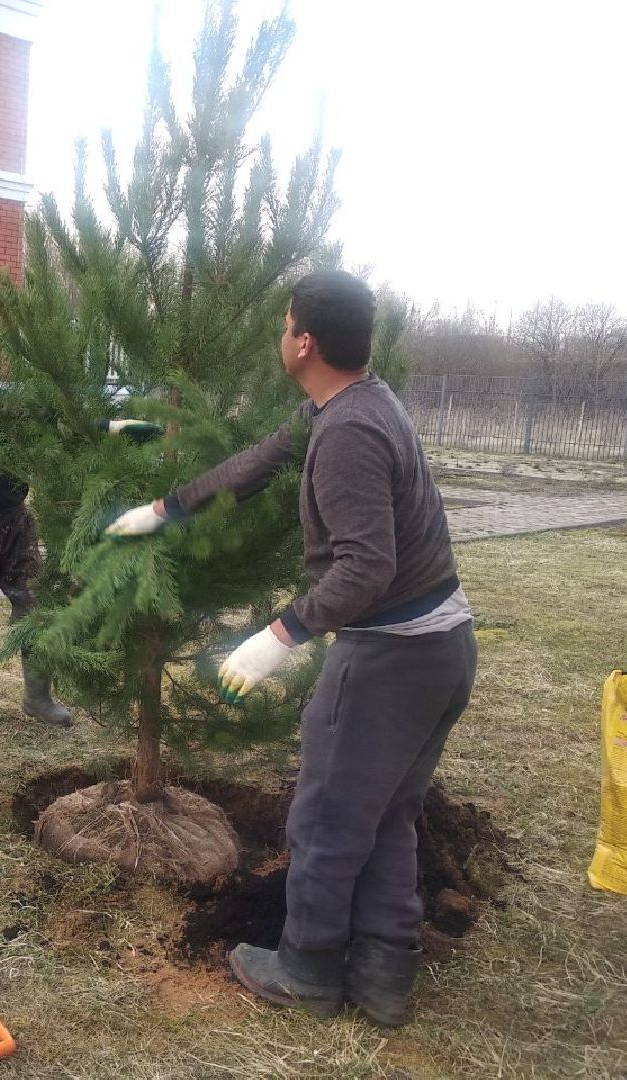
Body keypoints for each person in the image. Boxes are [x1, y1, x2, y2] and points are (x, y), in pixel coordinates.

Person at [105, 270, 477, 1027]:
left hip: (391, 657)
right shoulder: (354, 402)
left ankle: (306, 969)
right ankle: (381, 976)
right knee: (386, 817)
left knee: (329, 819)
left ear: (304, 341)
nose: (280, 337)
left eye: (284, 325)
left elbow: (366, 566)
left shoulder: (348, 433)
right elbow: (262, 458)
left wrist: (277, 637)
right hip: (442, 647)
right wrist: (167, 508)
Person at [0, 326, 162, 732]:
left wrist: (117, 428)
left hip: (15, 520)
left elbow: (68, 425)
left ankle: (38, 697)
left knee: (35, 607)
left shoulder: (21, 403)